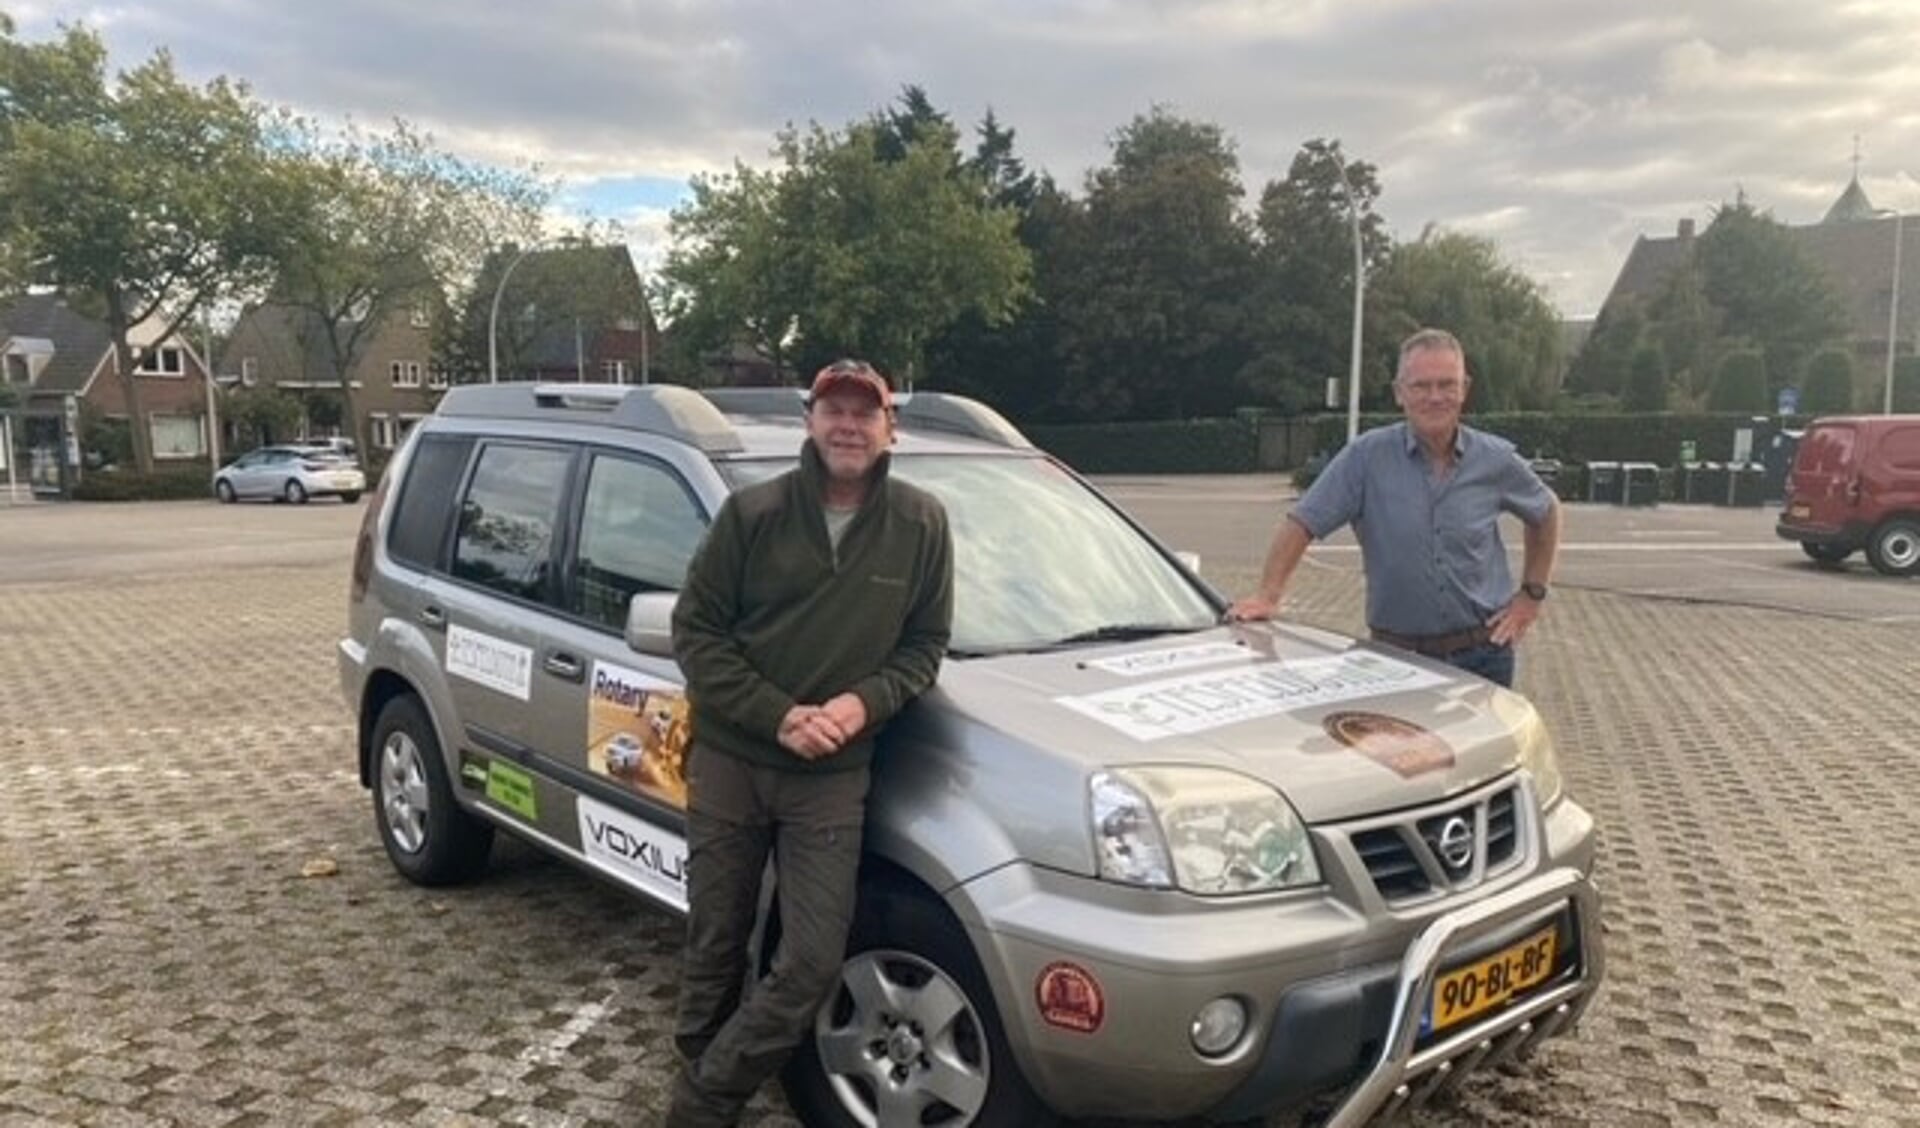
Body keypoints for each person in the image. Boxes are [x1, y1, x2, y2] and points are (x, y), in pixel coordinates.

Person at [666, 359, 955, 1127]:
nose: (850, 425)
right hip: (732, 760)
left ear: (891, 428)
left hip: (832, 774)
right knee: (717, 939)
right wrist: (779, 715)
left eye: (867, 413)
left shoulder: (922, 526)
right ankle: (705, 1073)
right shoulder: (752, 515)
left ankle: (701, 1097)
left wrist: (863, 704)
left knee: (810, 959)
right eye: (835, 410)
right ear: (810, 420)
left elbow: (925, 646)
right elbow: (694, 632)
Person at [1227, 328, 1560, 688]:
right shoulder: (1365, 458)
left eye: (1447, 384)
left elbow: (1546, 512)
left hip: (1483, 656)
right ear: (1399, 393)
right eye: (1420, 386)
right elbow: (1301, 523)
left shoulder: (1494, 459)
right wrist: (1267, 595)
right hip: (1394, 659)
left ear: (1464, 388)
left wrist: (1532, 594)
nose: (1435, 397)